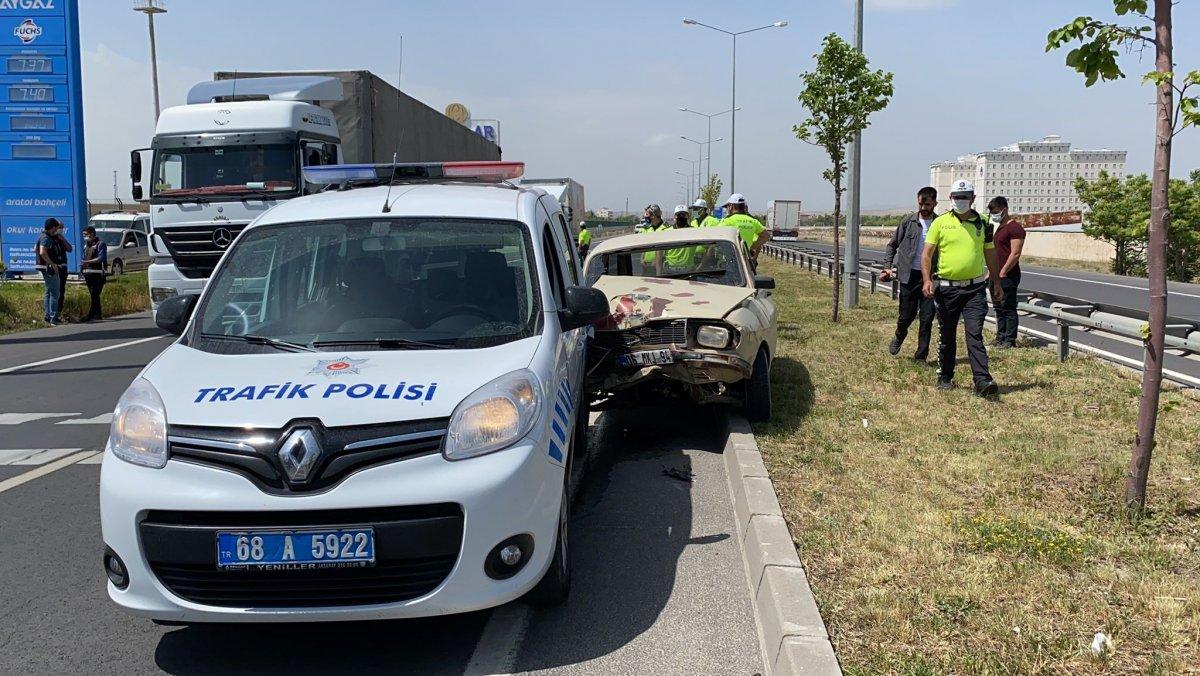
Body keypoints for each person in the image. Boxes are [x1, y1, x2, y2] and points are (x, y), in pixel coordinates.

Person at [921, 179, 1003, 396]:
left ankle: (982, 380)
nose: (961, 200)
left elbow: (990, 253)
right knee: (947, 334)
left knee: (974, 333)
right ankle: (945, 375)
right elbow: (927, 254)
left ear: (973, 199)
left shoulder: (984, 223)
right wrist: (927, 280)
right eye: (957, 197)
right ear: (951, 199)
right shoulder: (940, 224)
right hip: (947, 289)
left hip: (975, 289)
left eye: (965, 197)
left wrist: (996, 282)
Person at [880, 187, 939, 360]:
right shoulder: (908, 222)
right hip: (909, 277)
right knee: (906, 316)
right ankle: (900, 334)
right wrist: (887, 266)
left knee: (927, 318)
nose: (923, 207)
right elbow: (892, 245)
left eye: (927, 204)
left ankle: (921, 355)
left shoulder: (940, 224)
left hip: (930, 278)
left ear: (935, 203)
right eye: (921, 203)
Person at [988, 196, 1025, 348]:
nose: (994, 215)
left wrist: (1003, 272)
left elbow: (1015, 253)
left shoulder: (1015, 228)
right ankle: (1000, 337)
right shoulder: (1000, 228)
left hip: (1008, 276)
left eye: (996, 212)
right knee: (998, 308)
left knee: (1008, 307)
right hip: (995, 275)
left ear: (1005, 209)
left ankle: (1009, 340)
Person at [35, 218, 69, 325]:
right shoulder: (46, 237)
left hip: (45, 266)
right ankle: (53, 318)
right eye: (57, 227)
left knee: (48, 291)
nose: (58, 229)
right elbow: (42, 252)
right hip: (48, 268)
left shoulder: (42, 236)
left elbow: (35, 249)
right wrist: (52, 264)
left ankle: (48, 316)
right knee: (55, 292)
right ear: (53, 227)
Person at [719, 194, 771, 259]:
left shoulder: (727, 221)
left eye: (727, 207)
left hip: (730, 259)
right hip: (746, 259)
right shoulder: (753, 221)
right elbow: (766, 236)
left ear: (731, 206)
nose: (726, 209)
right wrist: (752, 247)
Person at [80, 225, 108, 321]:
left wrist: (88, 262)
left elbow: (101, 258)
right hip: (88, 274)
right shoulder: (86, 245)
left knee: (95, 294)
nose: (84, 236)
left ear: (92, 234)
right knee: (93, 295)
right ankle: (95, 315)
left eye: (86, 234)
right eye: (83, 235)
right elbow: (84, 258)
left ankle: (93, 315)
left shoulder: (100, 244)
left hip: (98, 274)